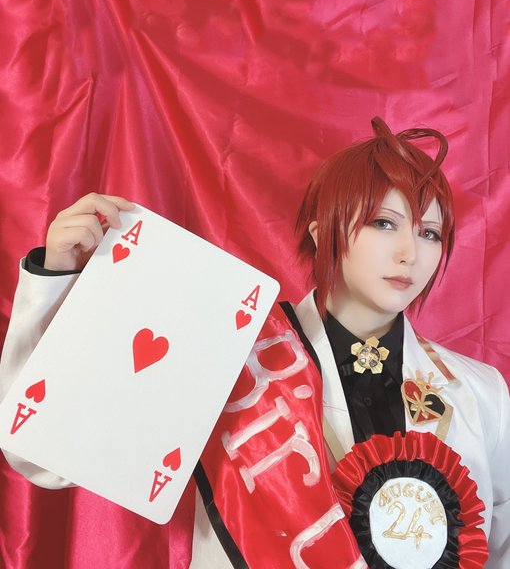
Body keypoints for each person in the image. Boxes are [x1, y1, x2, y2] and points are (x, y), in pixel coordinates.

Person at [0, 118, 508, 568]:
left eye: (430, 233)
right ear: (323, 230)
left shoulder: (482, 395)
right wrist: (55, 280)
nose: (409, 253)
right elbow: (42, 456)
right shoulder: (222, 350)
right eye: (384, 223)